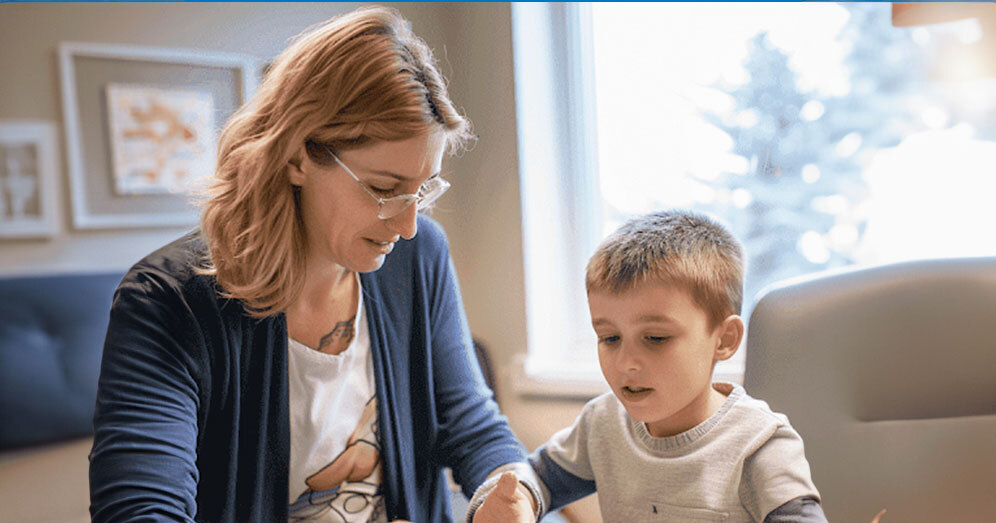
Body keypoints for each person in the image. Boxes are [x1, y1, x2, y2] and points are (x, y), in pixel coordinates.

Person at [88, 6, 542, 523]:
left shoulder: (419, 255)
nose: (408, 224)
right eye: (383, 189)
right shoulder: (168, 300)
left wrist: (512, 493)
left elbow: (468, 421)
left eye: (424, 189)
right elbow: (140, 511)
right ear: (298, 156)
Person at [471, 210, 827, 522]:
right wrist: (517, 498)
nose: (626, 363)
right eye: (610, 338)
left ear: (724, 340)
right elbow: (537, 477)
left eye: (655, 339)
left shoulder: (760, 444)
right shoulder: (603, 424)